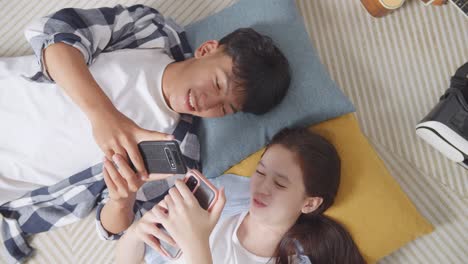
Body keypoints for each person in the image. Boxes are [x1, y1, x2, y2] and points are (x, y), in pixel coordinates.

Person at [0, 4, 290, 205]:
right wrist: (104, 117)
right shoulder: (149, 33)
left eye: (225, 109)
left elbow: (113, 224)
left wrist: (122, 198)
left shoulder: (180, 154)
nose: (208, 102)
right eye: (217, 83)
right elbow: (56, 36)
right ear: (206, 50)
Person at [115, 127, 366, 264]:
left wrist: (196, 243)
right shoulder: (223, 198)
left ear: (309, 203)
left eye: (280, 184)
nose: (262, 187)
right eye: (260, 171)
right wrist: (137, 233)